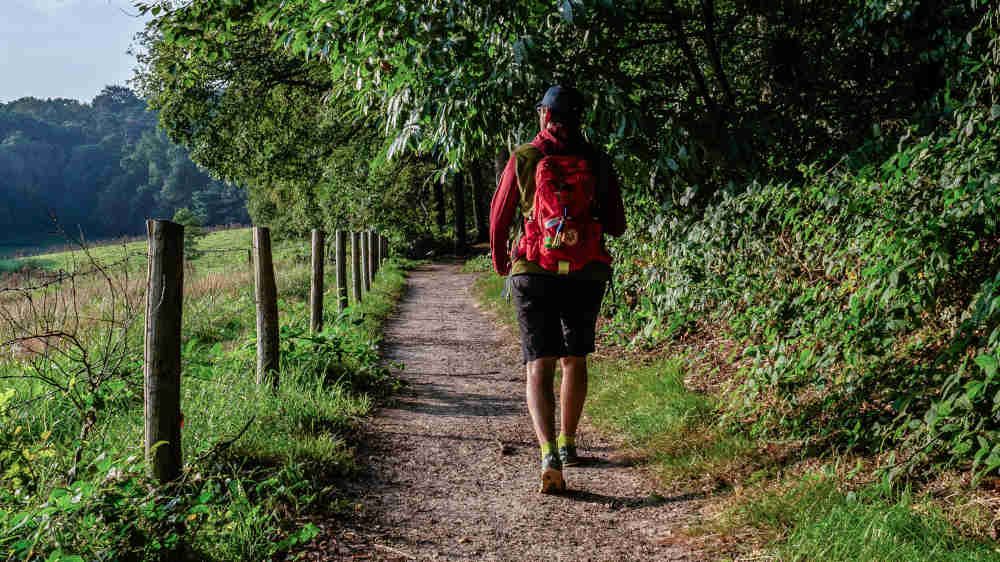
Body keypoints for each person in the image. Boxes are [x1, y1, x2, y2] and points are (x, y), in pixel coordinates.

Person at [489, 85, 627, 493]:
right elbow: (617, 225)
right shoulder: (597, 160)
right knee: (574, 358)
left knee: (539, 363)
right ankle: (569, 443)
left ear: (543, 116)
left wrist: (503, 265)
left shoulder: (526, 157)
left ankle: (547, 451)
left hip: (533, 269)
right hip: (585, 271)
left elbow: (499, 221)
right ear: (580, 118)